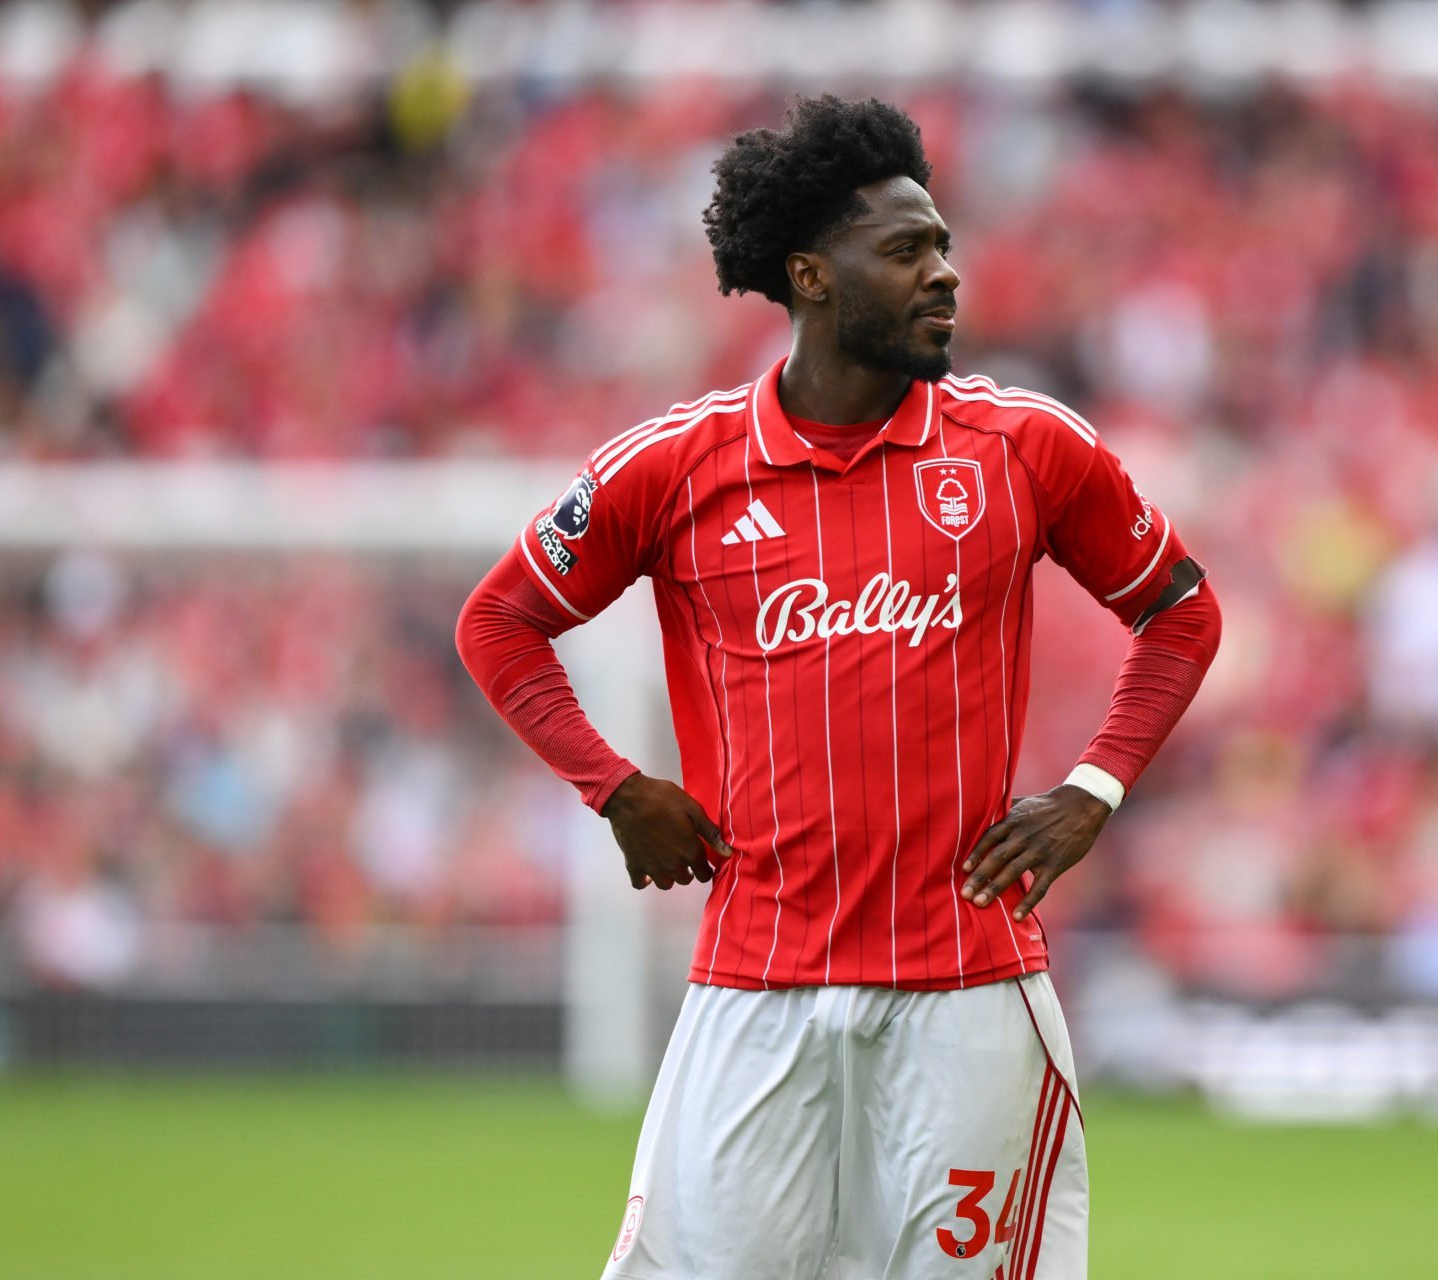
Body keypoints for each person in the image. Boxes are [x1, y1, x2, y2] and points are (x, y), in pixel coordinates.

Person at [456, 95, 1221, 1280]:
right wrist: (614, 786)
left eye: (944, 246)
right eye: (906, 249)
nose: (945, 273)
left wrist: (1094, 790)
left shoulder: (1022, 446)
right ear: (811, 275)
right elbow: (499, 620)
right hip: (755, 984)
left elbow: (1181, 610)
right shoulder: (677, 466)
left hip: (968, 988)